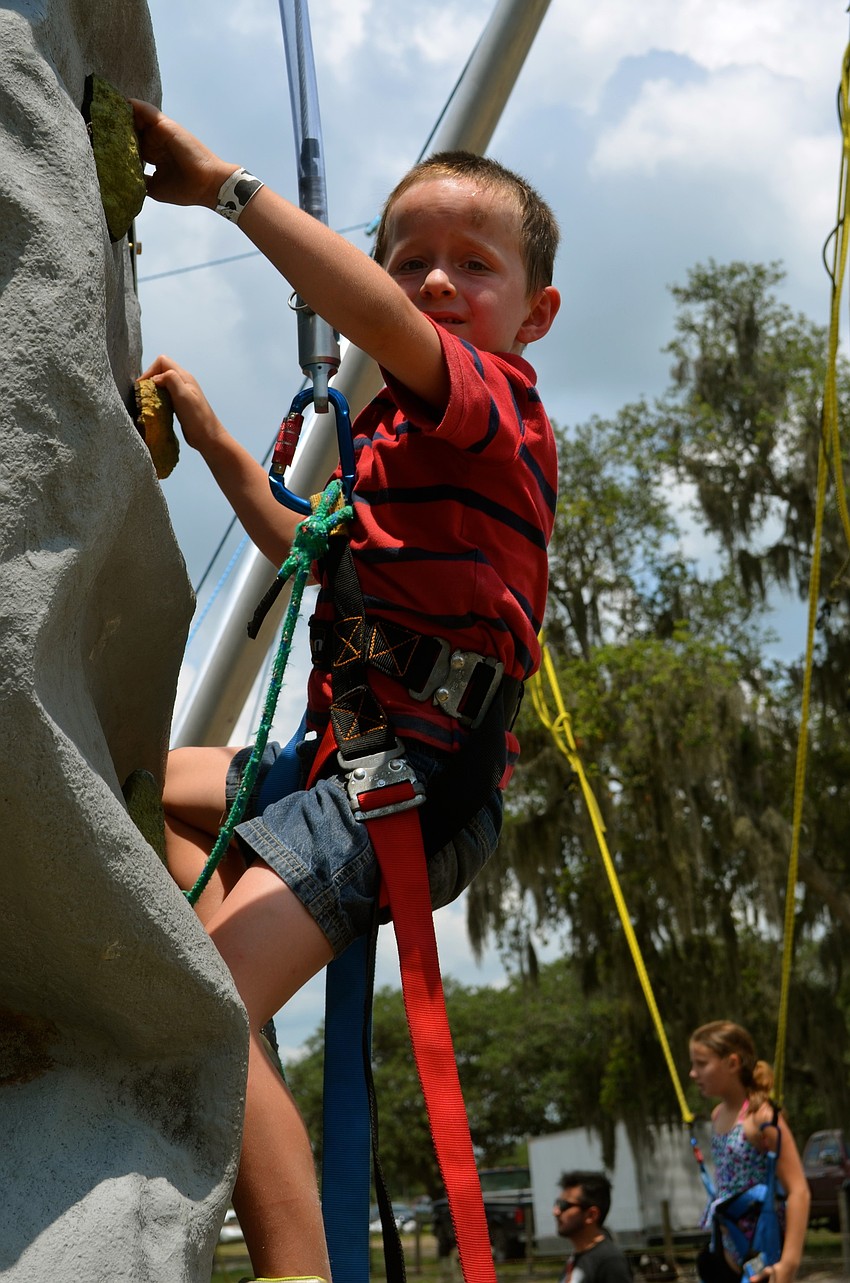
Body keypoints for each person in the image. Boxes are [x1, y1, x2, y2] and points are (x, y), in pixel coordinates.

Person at [131, 98, 560, 1283]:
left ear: (535, 314)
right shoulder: (393, 453)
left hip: (408, 783)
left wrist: (227, 187)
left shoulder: (493, 411)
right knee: (135, 792)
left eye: (471, 265)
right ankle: (234, 973)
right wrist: (219, 442)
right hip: (348, 761)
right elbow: (311, 546)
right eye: (406, 258)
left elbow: (365, 314)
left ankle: (293, 1266)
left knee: (198, 1018)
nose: (430, 282)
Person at [689, 1021, 810, 1283]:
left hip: (760, 1250)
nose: (692, 1073)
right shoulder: (718, 1114)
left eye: (701, 1064)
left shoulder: (762, 1118)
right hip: (725, 1244)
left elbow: (799, 1190)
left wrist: (789, 1263)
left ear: (732, 1063)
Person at [553, 1170, 633, 1283]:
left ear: (591, 1215)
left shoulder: (610, 1262)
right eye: (557, 1203)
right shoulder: (577, 1257)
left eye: (565, 1205)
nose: (556, 1211)